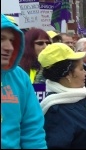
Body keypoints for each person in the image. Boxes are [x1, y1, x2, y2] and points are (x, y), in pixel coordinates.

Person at [38, 43, 86, 148]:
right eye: (81, 69)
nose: (85, 73)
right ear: (68, 74)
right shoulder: (56, 112)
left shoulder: (81, 95)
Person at [1, 14, 47, 149]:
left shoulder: (20, 77)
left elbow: (32, 130)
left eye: (12, 40)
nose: (9, 47)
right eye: (1, 39)